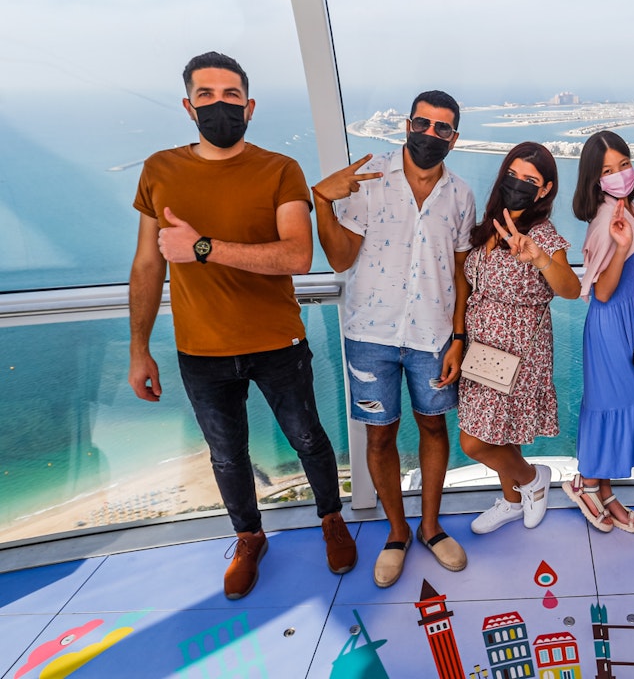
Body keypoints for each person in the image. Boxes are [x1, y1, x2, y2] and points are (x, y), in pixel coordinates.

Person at [127, 52, 356, 600]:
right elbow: (146, 264)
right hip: (200, 349)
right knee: (226, 454)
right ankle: (250, 538)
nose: (219, 105)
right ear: (188, 106)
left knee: (307, 438)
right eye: (205, 95)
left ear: (249, 106)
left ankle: (331, 519)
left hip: (278, 340)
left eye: (231, 95)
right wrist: (139, 349)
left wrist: (201, 248)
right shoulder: (160, 170)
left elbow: (298, 255)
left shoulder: (279, 169)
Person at [312, 90, 475, 585]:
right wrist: (321, 200)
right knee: (379, 436)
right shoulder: (368, 179)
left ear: (454, 138)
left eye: (441, 128)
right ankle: (397, 532)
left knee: (433, 427)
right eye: (422, 124)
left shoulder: (462, 195)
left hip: (433, 334)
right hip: (370, 333)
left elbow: (463, 270)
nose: (429, 135)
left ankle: (430, 527)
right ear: (407, 124)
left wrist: (460, 337)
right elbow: (340, 259)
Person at [458, 142, 581, 534]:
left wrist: (540, 259)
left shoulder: (542, 234)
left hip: (517, 347)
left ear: (544, 190)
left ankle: (532, 480)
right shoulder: (488, 224)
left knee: (473, 442)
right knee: (498, 431)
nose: (518, 184)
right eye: (513, 175)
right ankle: (513, 499)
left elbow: (571, 289)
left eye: (531, 180)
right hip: (482, 344)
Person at [565, 131, 634, 534]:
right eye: (608, 170)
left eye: (623, 164)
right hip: (610, 325)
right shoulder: (608, 220)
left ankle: (602, 489)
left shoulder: (629, 208)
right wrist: (621, 249)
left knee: (617, 403)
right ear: (594, 179)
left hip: (627, 321)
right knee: (616, 404)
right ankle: (586, 482)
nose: (620, 174)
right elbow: (602, 291)